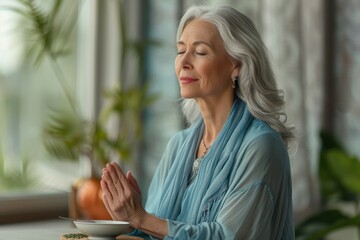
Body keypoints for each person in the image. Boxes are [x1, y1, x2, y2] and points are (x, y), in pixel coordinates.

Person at [101, 5, 295, 240]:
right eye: (180, 50)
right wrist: (127, 220)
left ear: (237, 65)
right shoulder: (178, 145)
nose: (183, 61)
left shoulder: (261, 147)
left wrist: (140, 218)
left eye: (200, 52)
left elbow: (229, 236)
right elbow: (154, 231)